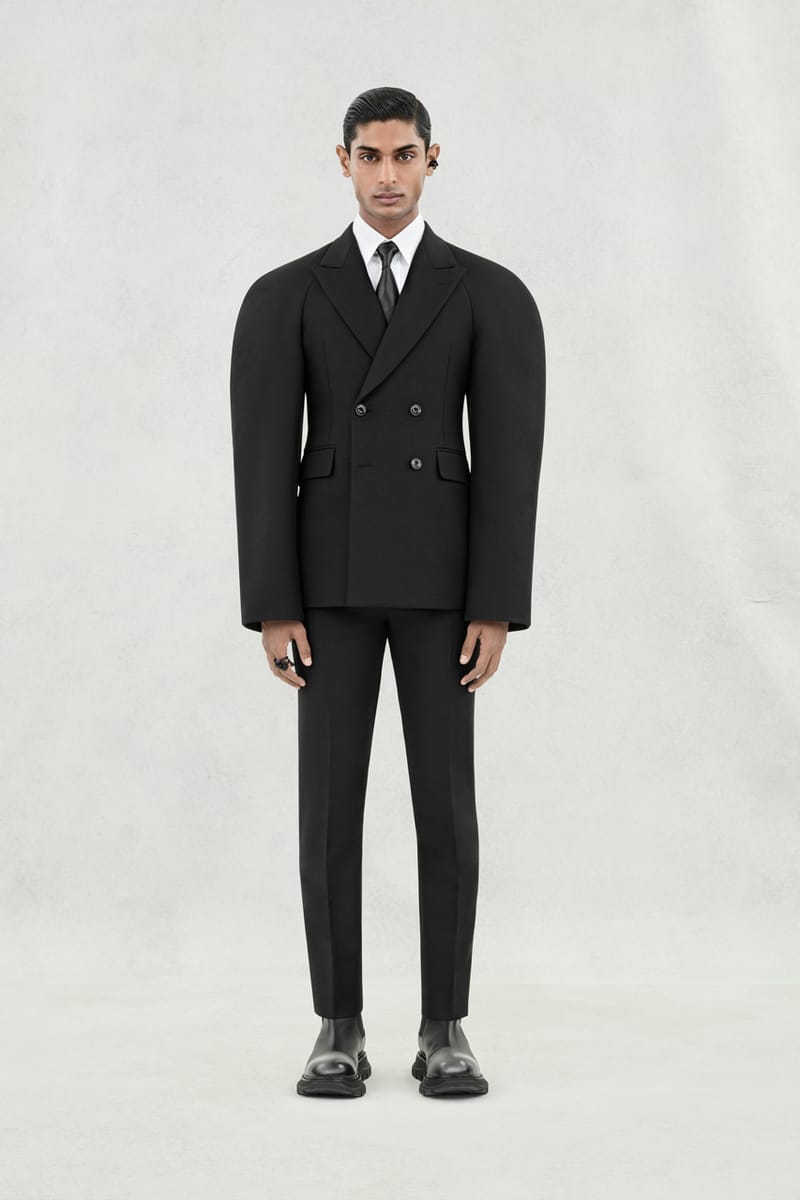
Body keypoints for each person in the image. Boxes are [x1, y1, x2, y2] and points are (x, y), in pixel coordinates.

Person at [229, 86, 546, 1099]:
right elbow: (261, 462)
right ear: (342, 161)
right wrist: (274, 602)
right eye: (368, 156)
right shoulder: (286, 295)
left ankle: (444, 1026)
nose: (387, 176)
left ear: (432, 158)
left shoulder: (488, 293)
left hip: (443, 589)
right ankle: (338, 1024)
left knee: (445, 810)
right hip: (325, 590)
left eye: (404, 155)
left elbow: (509, 463)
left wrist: (494, 602)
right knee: (328, 810)